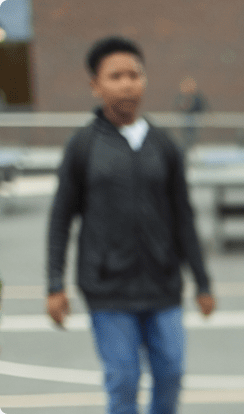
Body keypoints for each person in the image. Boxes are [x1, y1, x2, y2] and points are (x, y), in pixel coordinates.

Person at [46, 36, 216, 414]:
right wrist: (55, 283)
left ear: (145, 80)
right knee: (123, 379)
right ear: (96, 85)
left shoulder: (165, 146)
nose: (127, 84)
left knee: (171, 374)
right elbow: (60, 218)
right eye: (115, 76)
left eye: (134, 75)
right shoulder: (83, 146)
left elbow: (184, 217)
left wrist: (202, 282)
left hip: (163, 286)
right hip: (108, 288)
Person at [173, 76, 206, 151]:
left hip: (194, 122)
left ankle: (192, 148)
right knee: (185, 138)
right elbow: (177, 107)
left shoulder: (197, 97)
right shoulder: (181, 97)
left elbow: (201, 107)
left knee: (192, 137)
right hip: (184, 122)